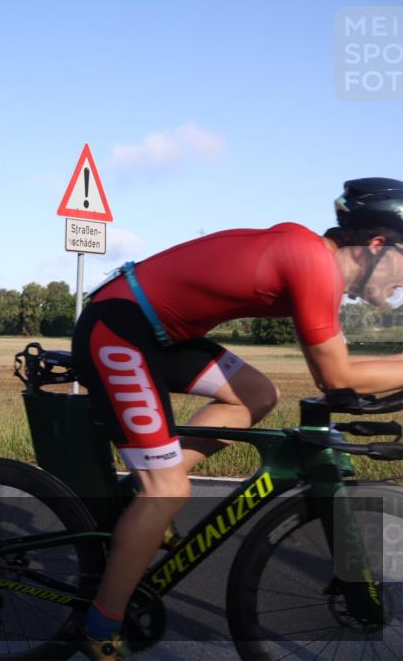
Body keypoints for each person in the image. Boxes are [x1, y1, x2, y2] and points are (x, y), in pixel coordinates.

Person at [70, 177, 403, 660]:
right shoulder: (312, 262)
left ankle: (139, 498)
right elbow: (337, 377)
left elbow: (346, 376)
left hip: (159, 332)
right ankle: (101, 628)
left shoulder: (315, 261)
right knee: (168, 491)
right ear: (378, 245)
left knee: (256, 393)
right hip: (118, 326)